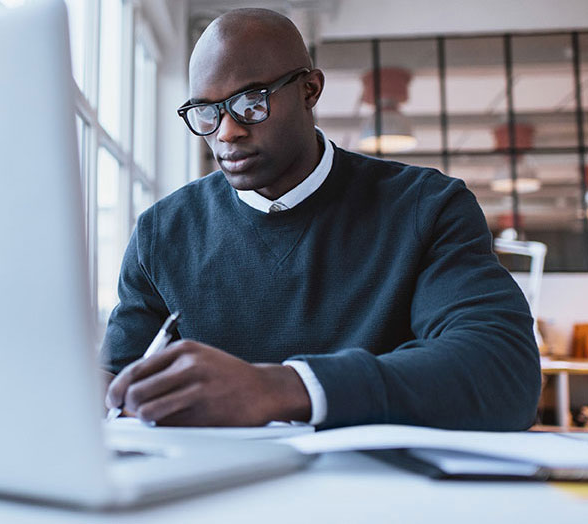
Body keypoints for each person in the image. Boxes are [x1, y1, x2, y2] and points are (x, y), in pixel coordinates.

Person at [101, 8, 541, 431]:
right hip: (215, 500)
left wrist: (280, 388)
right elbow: (114, 392)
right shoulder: (162, 232)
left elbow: (502, 370)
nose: (226, 132)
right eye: (206, 112)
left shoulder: (426, 207)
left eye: (251, 103)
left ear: (310, 90)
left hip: (381, 497)